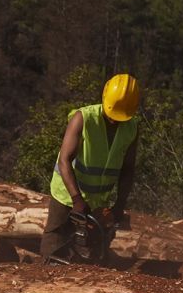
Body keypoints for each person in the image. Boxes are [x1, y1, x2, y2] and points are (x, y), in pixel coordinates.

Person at [42, 73, 140, 261]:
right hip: (66, 195)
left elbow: (128, 170)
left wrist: (120, 204)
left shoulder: (131, 128)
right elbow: (64, 161)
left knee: (92, 251)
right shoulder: (83, 118)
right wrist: (76, 199)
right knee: (54, 245)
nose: (114, 120)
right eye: (112, 115)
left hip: (98, 200)